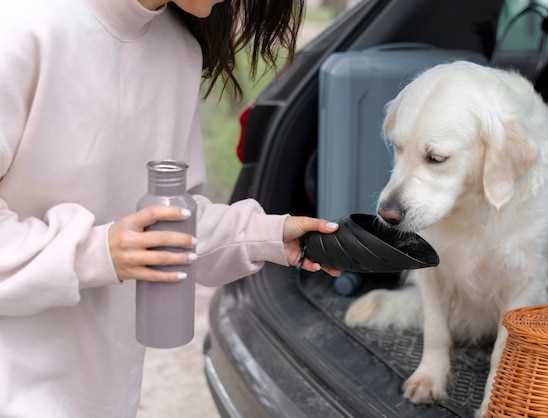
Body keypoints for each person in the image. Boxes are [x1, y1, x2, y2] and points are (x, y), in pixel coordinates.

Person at [0, 0, 340, 416]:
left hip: (102, 394)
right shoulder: (19, 29)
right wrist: (97, 252)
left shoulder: (176, 54)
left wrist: (269, 236)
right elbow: (123, 243)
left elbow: (170, 222)